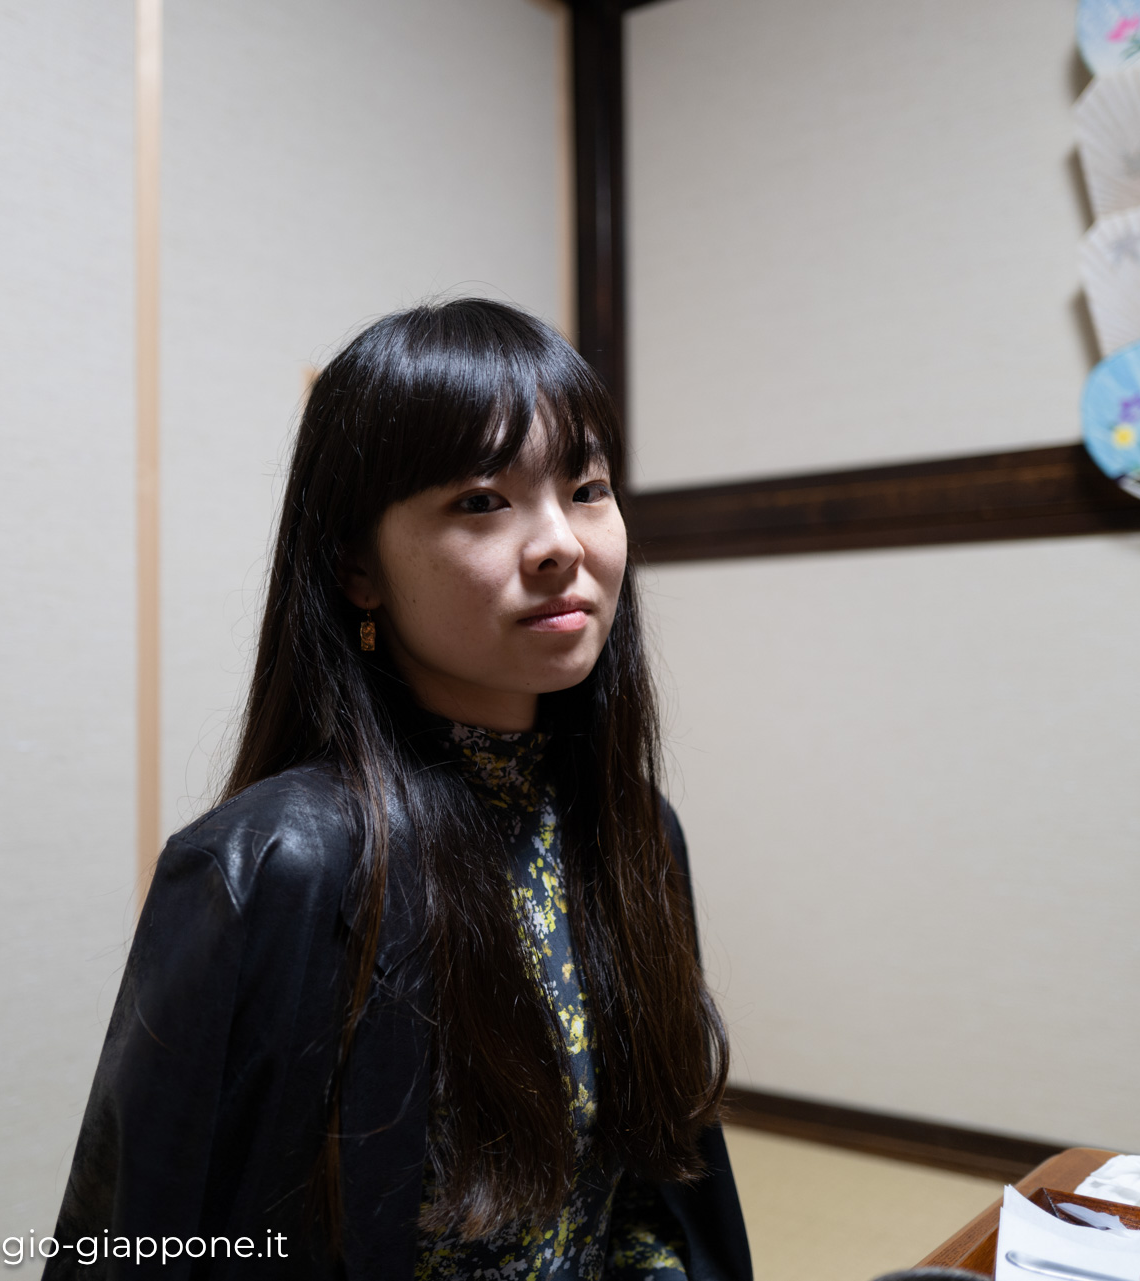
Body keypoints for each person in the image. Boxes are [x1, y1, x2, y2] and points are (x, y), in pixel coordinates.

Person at [44, 299, 751, 1280]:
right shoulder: (281, 868)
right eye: (481, 503)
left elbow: (650, 1204)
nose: (561, 544)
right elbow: (141, 1244)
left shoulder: (632, 829)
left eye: (587, 488)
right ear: (356, 568)